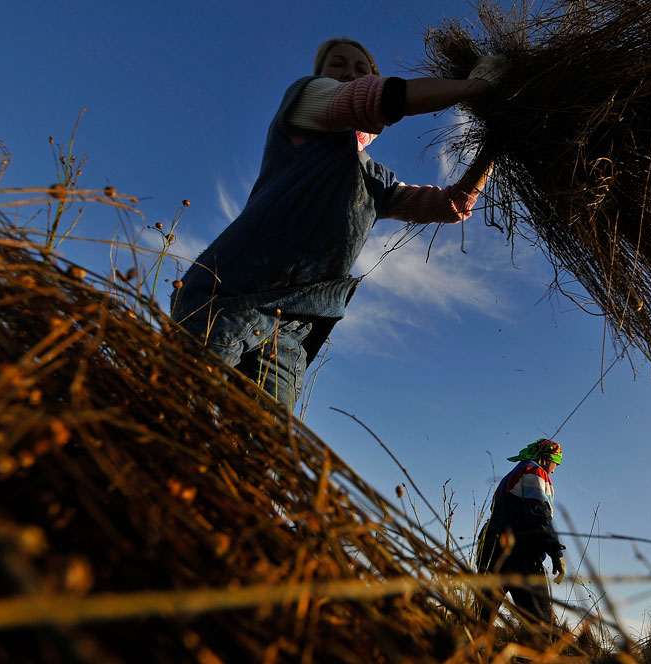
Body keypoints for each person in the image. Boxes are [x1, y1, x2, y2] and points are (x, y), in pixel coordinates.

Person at [170, 37, 505, 409]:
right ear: (320, 76)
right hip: (228, 299)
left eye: (362, 69)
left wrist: (495, 143)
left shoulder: (376, 179)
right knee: (175, 423)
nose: (349, 73)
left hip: (292, 330)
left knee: (254, 459)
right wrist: (477, 87)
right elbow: (373, 99)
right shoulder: (304, 102)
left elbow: (451, 205)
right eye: (338, 65)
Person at [475, 438, 566, 627]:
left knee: (481, 616)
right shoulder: (535, 472)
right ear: (546, 458)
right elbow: (538, 514)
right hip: (520, 554)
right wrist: (556, 552)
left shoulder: (512, 475)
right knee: (540, 621)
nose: (554, 469)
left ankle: (468, 653)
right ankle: (537, 655)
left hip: (491, 550)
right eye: (555, 463)